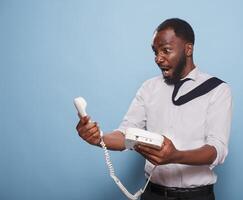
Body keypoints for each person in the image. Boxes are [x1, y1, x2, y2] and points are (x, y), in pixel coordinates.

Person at [76, 18, 232, 200]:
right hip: (153, 194)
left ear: (188, 49)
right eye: (155, 52)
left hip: (197, 196)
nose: (158, 58)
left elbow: (217, 150)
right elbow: (125, 134)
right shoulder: (149, 88)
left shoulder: (218, 90)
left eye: (166, 50)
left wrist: (176, 156)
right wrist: (98, 138)